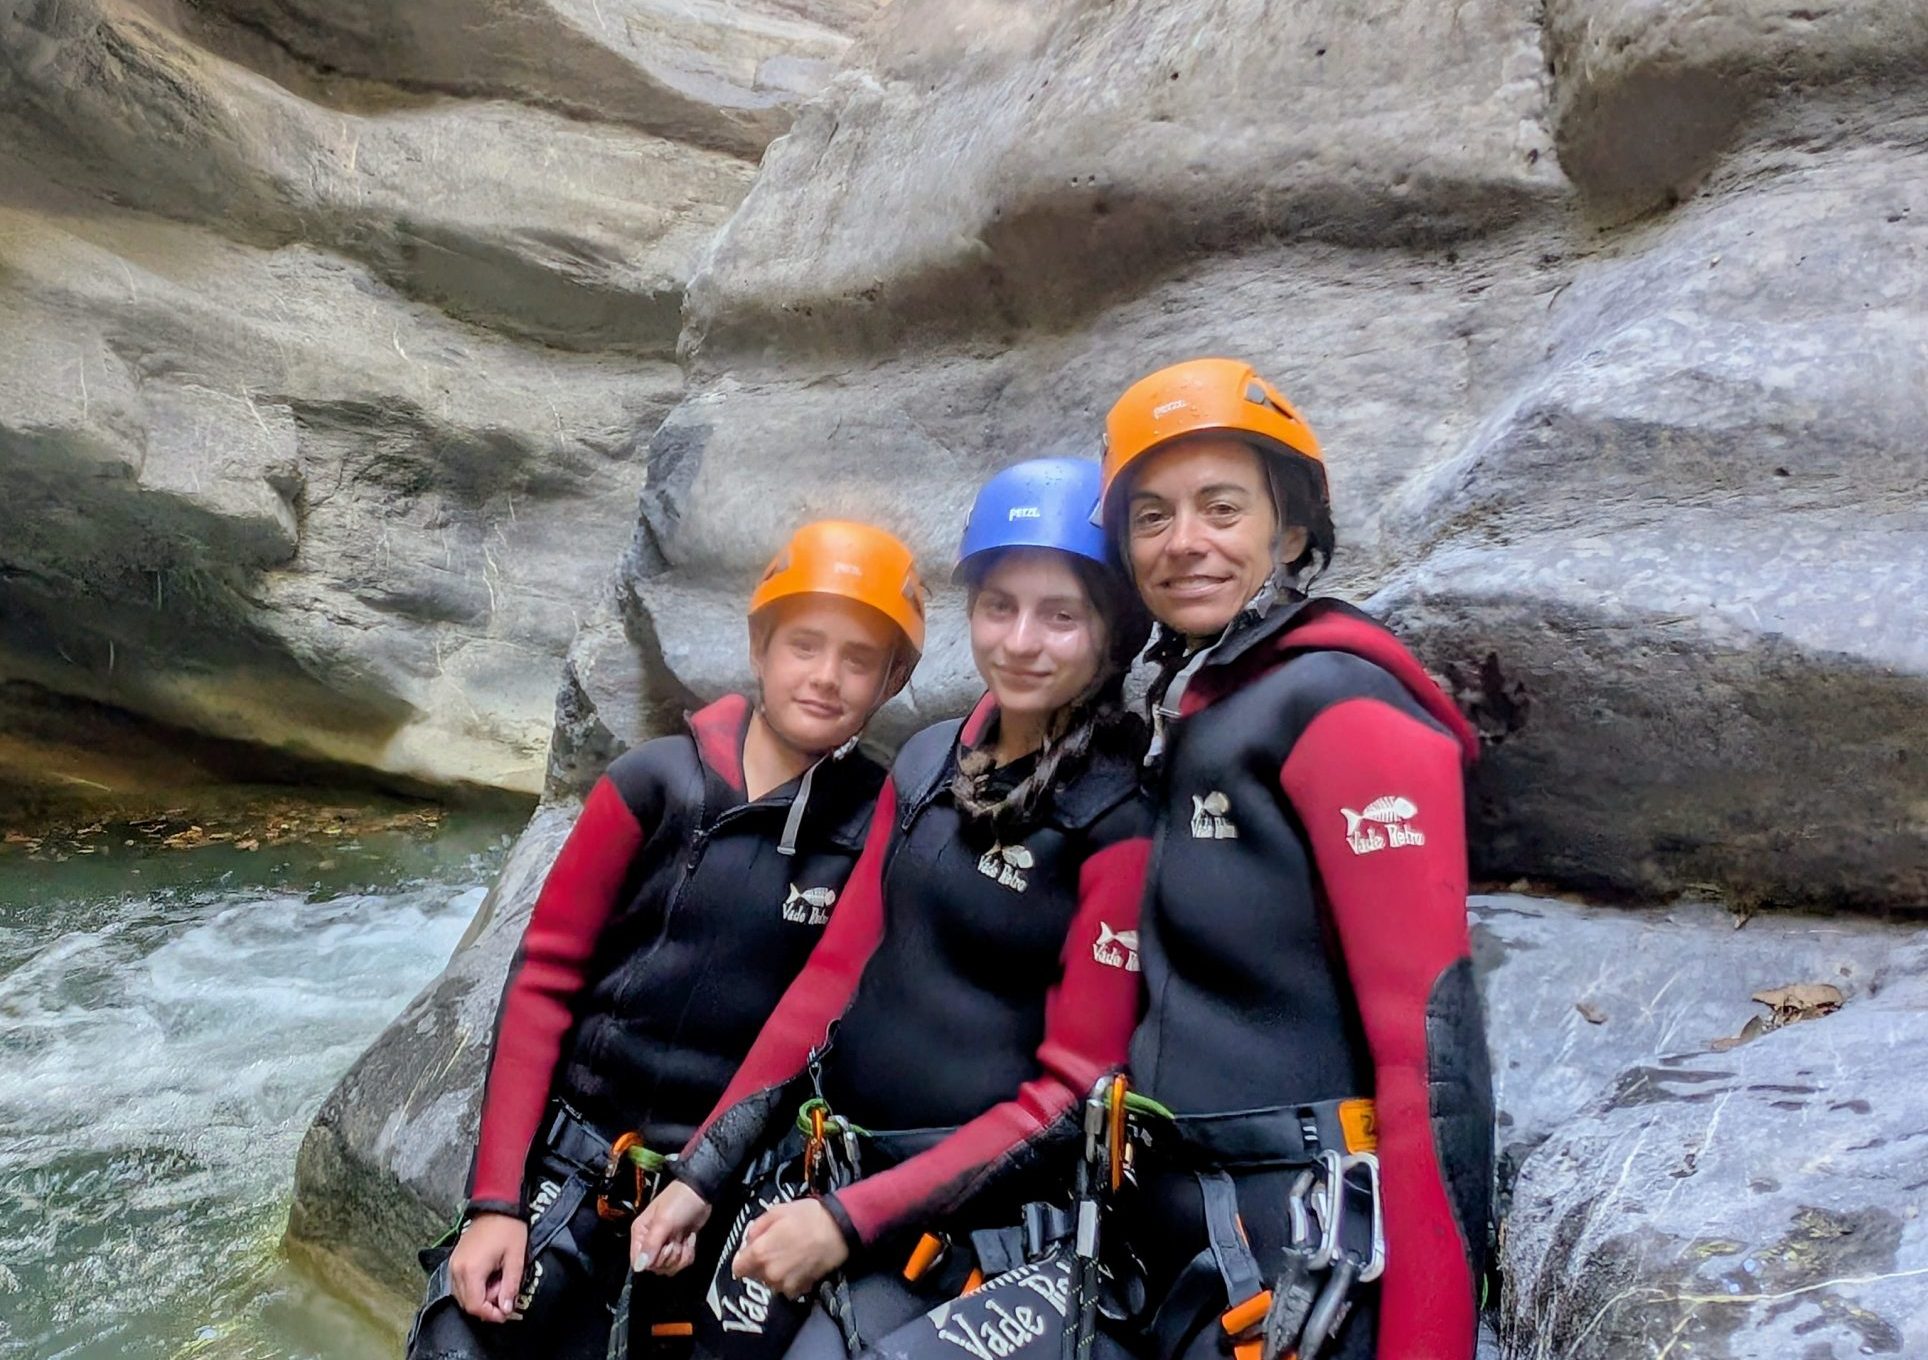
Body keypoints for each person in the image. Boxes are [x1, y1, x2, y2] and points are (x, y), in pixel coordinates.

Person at [629, 458, 1154, 1360]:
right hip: (827, 1162)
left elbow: (1073, 1093)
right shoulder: (924, 764)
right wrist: (703, 1171)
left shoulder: (1119, 819)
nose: (1022, 640)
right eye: (999, 607)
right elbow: (832, 977)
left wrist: (845, 1221)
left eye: (1060, 615)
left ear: (1111, 633)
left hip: (960, 1223)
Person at [404, 521, 927, 1360]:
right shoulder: (652, 783)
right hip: (577, 1168)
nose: (826, 677)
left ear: (893, 679)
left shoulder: (877, 827)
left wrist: (703, 1179)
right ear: (759, 648)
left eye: (860, 659)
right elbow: (544, 978)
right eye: (804, 644)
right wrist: (495, 1204)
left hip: (729, 1188)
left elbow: (818, 1003)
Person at [1096, 358, 1494, 1360]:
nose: (1183, 541)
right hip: (1184, 1245)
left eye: (1220, 507)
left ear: (1291, 532)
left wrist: (1427, 1344)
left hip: (1299, 1262)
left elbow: (1428, 1053)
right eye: (1150, 516)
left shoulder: (1338, 706)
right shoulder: (1189, 708)